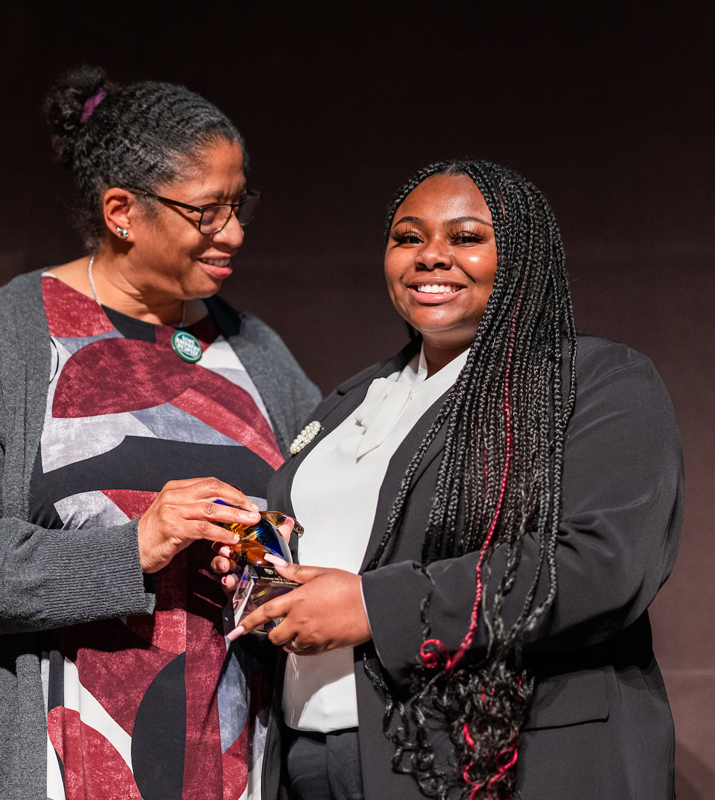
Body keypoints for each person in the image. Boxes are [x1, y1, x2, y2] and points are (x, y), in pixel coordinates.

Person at [0, 65, 320, 800]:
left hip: (231, 769)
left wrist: (264, 561)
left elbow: (312, 540)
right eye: (208, 213)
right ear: (122, 210)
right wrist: (133, 550)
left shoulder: (255, 355)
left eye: (240, 204)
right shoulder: (17, 335)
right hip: (60, 767)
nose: (236, 233)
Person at [226, 160, 683, 799]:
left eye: (466, 238)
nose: (430, 257)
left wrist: (372, 607)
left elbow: (601, 566)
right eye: (408, 238)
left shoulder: (594, 381)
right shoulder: (352, 400)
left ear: (521, 256)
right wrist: (254, 558)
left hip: (496, 757)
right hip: (316, 755)